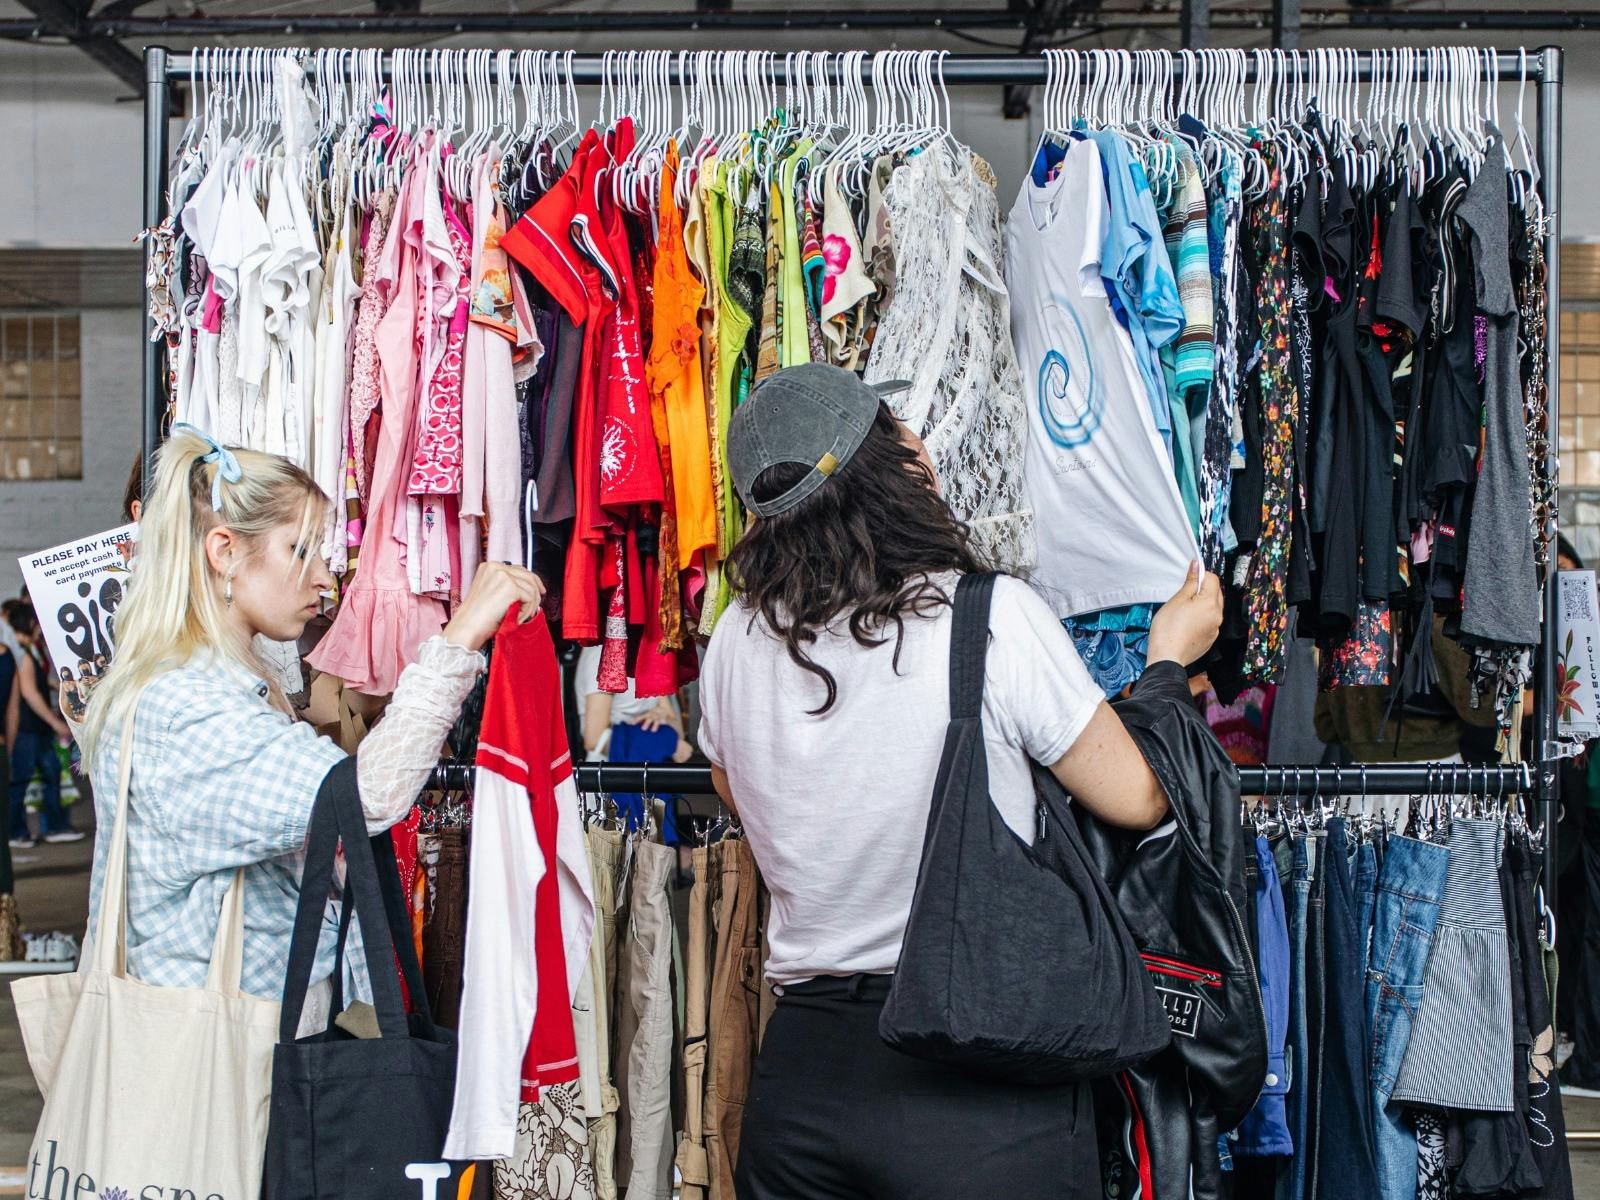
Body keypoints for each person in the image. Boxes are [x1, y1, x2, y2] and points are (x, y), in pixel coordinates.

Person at [696, 364, 1223, 1200]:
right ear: (888, 470)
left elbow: (734, 786)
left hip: (801, 1085)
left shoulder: (735, 639)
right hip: (975, 1083)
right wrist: (1167, 661)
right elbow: (1138, 796)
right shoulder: (987, 617)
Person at [76, 426, 543, 1026]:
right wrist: (457, 639)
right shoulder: (188, 710)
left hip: (229, 1039)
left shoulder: (203, 684)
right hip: (218, 1066)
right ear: (224, 551)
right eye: (301, 550)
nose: (326, 577)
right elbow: (363, 797)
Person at [7, 603, 78, 847]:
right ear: (30, 624)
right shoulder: (23, 654)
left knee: (48, 774)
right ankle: (16, 831)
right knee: (21, 781)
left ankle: (50, 827)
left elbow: (37, 686)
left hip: (33, 728)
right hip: (28, 728)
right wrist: (55, 722)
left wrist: (59, 686)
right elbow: (29, 693)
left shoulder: (27, 651)